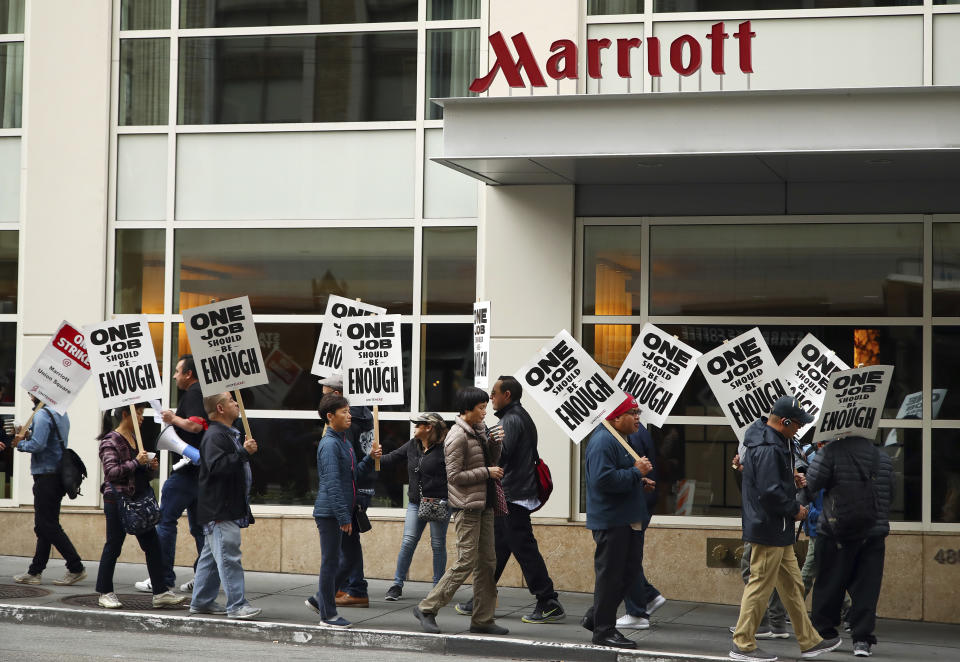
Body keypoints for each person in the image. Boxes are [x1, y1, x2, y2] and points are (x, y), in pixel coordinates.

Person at [730, 395, 841, 662]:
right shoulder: (771, 447)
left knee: (792, 585)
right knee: (760, 585)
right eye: (797, 424)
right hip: (769, 526)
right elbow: (769, 492)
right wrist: (795, 510)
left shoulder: (773, 441)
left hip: (774, 527)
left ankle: (810, 640)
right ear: (784, 421)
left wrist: (790, 478)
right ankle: (742, 644)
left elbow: (766, 482)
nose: (800, 429)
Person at [455, 376, 565, 624]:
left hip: (512, 495)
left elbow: (499, 457)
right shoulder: (516, 417)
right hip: (512, 494)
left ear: (507, 395)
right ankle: (481, 598)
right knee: (498, 549)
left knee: (524, 549)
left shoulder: (512, 420)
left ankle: (548, 601)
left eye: (494, 393)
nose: (490, 398)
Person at [413, 386, 507, 636]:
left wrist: (495, 444)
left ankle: (483, 619)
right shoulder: (457, 436)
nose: (485, 411)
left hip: (484, 504)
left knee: (488, 563)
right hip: (467, 507)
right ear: (467, 410)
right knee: (466, 561)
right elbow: (454, 477)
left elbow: (491, 461)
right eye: (481, 408)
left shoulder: (479, 430)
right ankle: (427, 607)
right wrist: (487, 472)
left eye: (486, 406)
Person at [805, 435, 894, 658]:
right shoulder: (881, 458)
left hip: (838, 531)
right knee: (867, 587)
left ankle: (825, 633)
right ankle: (862, 640)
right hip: (873, 531)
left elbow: (813, 484)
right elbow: (890, 494)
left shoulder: (830, 452)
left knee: (830, 582)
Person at [95, 404, 185, 609]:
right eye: (139, 413)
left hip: (136, 500)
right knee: (114, 545)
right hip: (118, 501)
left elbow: (136, 473)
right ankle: (105, 591)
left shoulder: (134, 438)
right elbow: (111, 472)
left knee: (153, 545)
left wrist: (148, 467)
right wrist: (137, 462)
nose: (142, 417)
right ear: (125, 414)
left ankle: (160, 591)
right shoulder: (111, 440)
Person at [580, 395, 652, 649]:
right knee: (611, 576)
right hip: (612, 521)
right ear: (615, 417)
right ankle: (603, 631)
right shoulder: (603, 441)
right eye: (632, 413)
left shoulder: (621, 439)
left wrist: (638, 480)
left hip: (627, 518)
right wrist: (636, 472)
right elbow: (602, 480)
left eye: (638, 412)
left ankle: (596, 617)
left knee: (629, 572)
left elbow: (616, 474)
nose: (637, 418)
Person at [307, 394, 381, 628]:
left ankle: (322, 598)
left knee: (349, 561)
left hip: (342, 512)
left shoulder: (343, 441)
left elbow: (351, 476)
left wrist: (370, 459)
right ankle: (327, 615)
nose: (349, 416)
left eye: (349, 411)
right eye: (344, 412)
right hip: (331, 514)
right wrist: (342, 516)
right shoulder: (329, 444)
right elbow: (332, 483)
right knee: (330, 562)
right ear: (330, 416)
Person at [136, 354, 207, 595]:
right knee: (199, 528)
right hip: (199, 473)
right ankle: (203, 577)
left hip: (186, 472)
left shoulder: (195, 392)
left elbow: (196, 425)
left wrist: (172, 418)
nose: (175, 375)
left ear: (189, 374)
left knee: (165, 522)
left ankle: (162, 577)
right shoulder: (201, 392)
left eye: (178, 371)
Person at [190, 391, 261, 619]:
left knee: (211, 558)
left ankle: (201, 601)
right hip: (220, 509)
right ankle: (237, 605)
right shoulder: (215, 436)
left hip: (223, 507)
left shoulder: (226, 434)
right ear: (220, 408)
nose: (236, 403)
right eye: (231, 400)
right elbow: (217, 467)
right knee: (229, 557)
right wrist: (243, 452)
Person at [11, 396, 86, 586]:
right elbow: (49, 439)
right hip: (57, 475)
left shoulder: (42, 415)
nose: (29, 395)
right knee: (44, 526)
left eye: (32, 392)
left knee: (48, 525)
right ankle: (35, 571)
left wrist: (19, 444)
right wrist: (27, 435)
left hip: (46, 476)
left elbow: (38, 445)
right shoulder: (61, 412)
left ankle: (75, 567)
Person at [379, 412, 450, 601]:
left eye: (418, 424)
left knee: (438, 544)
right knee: (408, 541)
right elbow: (391, 458)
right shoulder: (412, 445)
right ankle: (397, 584)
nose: (414, 426)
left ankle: (437, 587)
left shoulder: (445, 448)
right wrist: (374, 457)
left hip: (438, 502)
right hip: (415, 502)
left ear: (429, 427)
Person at [319, 373, 375, 608]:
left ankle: (354, 589)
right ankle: (343, 588)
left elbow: (339, 471)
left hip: (353, 487)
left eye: (326, 394)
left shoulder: (344, 426)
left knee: (347, 545)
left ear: (338, 395)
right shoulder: (364, 415)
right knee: (347, 544)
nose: (322, 398)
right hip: (362, 482)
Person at [616, 418, 665, 630]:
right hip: (641, 500)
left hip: (637, 502)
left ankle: (637, 610)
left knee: (627, 557)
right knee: (628, 556)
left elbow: (631, 468)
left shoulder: (632, 433)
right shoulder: (639, 431)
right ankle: (648, 596)